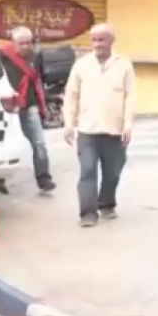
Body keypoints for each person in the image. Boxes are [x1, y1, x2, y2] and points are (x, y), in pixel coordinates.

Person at [64, 23, 135, 227]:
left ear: (111, 41)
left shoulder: (124, 64)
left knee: (113, 172)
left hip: (115, 131)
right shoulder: (82, 65)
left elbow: (130, 96)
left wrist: (128, 124)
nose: (97, 44)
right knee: (87, 170)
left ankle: (106, 204)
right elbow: (71, 95)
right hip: (87, 130)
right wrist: (69, 123)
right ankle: (87, 213)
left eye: (101, 39)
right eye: (94, 39)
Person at [0, 25, 55, 194]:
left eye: (28, 43)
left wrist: (42, 104)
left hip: (30, 105)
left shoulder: (36, 57)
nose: (25, 47)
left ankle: (44, 179)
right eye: (21, 43)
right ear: (13, 42)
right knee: (3, 144)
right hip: (9, 106)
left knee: (39, 144)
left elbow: (39, 80)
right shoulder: (2, 55)